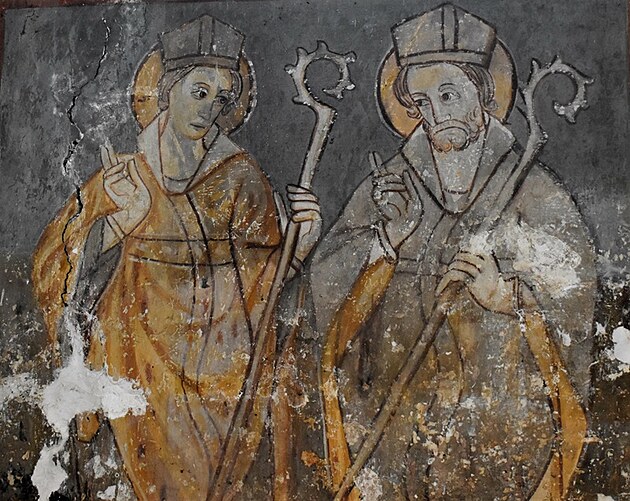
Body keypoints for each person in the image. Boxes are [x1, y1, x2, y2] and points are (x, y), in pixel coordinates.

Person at [285, 4, 597, 500]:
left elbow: (573, 298)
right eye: (422, 102)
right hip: (398, 419)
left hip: (497, 423)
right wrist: (386, 244)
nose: (435, 114)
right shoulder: (389, 185)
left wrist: (509, 297)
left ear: (483, 92)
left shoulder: (534, 190)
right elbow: (324, 293)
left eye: (448, 95)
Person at [32, 15, 321, 500]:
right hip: (134, 361)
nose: (209, 110)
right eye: (199, 91)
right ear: (166, 91)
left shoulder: (242, 176)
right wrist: (117, 224)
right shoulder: (125, 175)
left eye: (222, 99)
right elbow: (53, 265)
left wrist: (300, 245)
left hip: (222, 364)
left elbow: (264, 288)